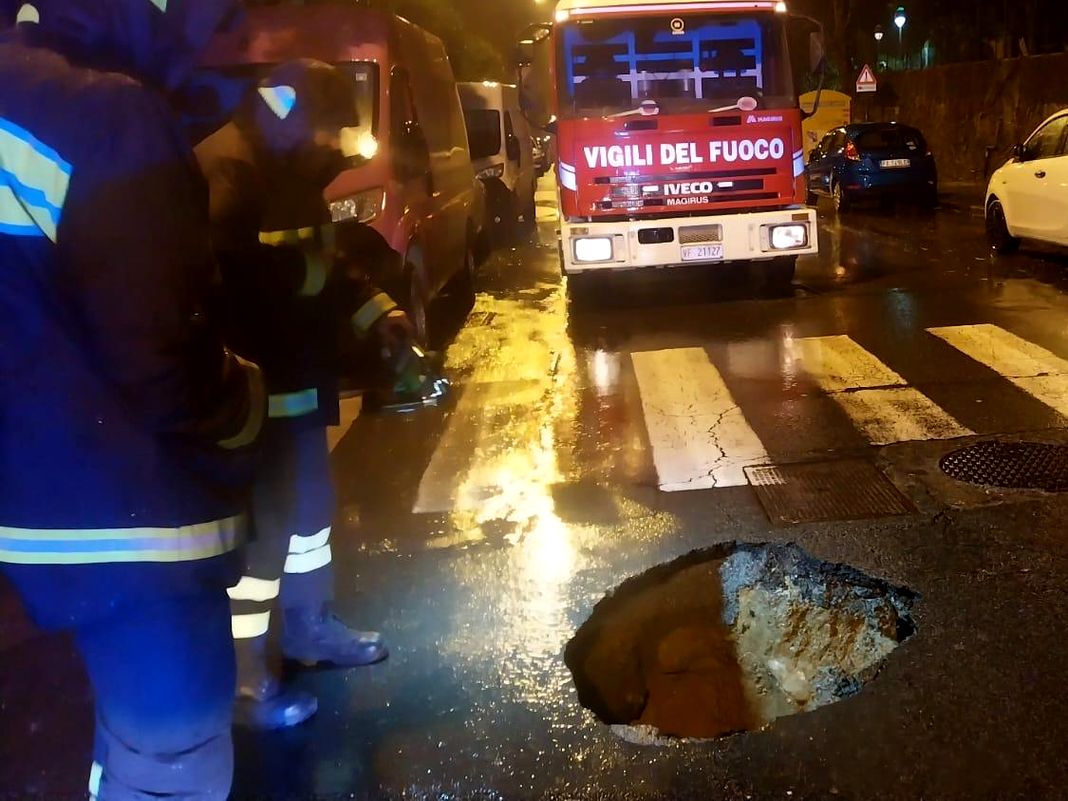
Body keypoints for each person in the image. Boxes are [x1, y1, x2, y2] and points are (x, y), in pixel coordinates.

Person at [0, 1, 262, 799]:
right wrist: (240, 400)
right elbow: (158, 359)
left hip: (28, 509)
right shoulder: (106, 114)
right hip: (130, 525)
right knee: (171, 762)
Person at [195, 59, 410, 729]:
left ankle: (310, 628)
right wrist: (308, 276)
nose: (334, 142)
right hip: (256, 398)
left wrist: (379, 310)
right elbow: (228, 283)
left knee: (311, 516)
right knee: (264, 541)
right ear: (288, 115)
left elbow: (327, 264)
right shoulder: (231, 180)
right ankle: (249, 679)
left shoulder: (291, 180)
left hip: (300, 387)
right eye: (327, 126)